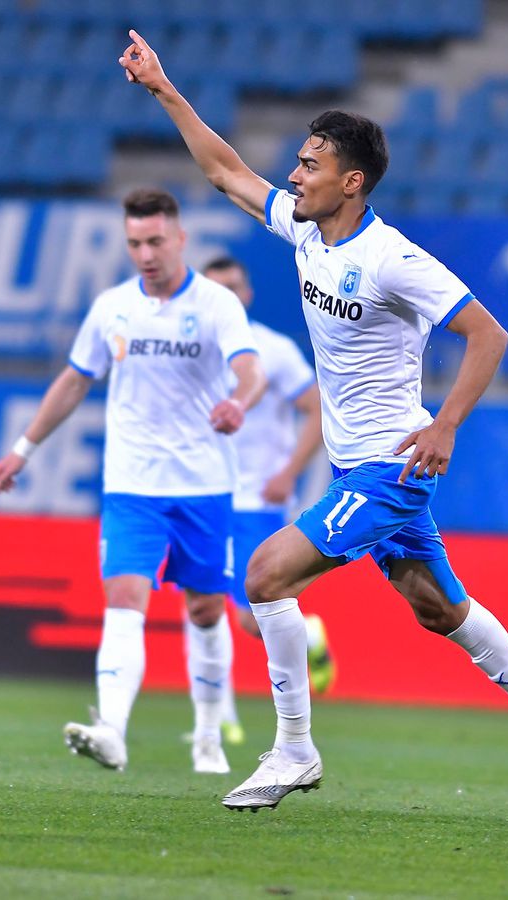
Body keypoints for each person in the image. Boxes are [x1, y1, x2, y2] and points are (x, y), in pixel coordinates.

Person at [119, 30, 508, 820]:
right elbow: (223, 171)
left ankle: (294, 750)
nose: (293, 174)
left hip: (390, 465)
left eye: (308, 165)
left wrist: (445, 426)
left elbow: (488, 334)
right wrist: (164, 89)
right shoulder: (307, 231)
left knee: (266, 576)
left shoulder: (393, 260)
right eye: (297, 161)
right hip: (357, 468)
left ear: (350, 182)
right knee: (437, 607)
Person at [0, 188, 266, 776]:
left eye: (156, 241)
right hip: (132, 485)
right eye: (135, 243)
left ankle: (209, 734)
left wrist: (238, 403)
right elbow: (73, 381)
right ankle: (112, 730)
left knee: (206, 611)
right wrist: (23, 448)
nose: (145, 253)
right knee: (124, 598)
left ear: (180, 238)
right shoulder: (113, 306)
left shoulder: (216, 304)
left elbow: (250, 370)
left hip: (203, 485)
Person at [196, 257, 336, 748]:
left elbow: (317, 407)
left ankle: (308, 637)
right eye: (216, 289)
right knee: (208, 605)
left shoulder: (272, 351)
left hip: (256, 497)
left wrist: (289, 472)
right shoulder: (195, 349)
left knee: (248, 613)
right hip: (204, 495)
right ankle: (215, 718)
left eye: (234, 286)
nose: (226, 296)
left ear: (248, 293)